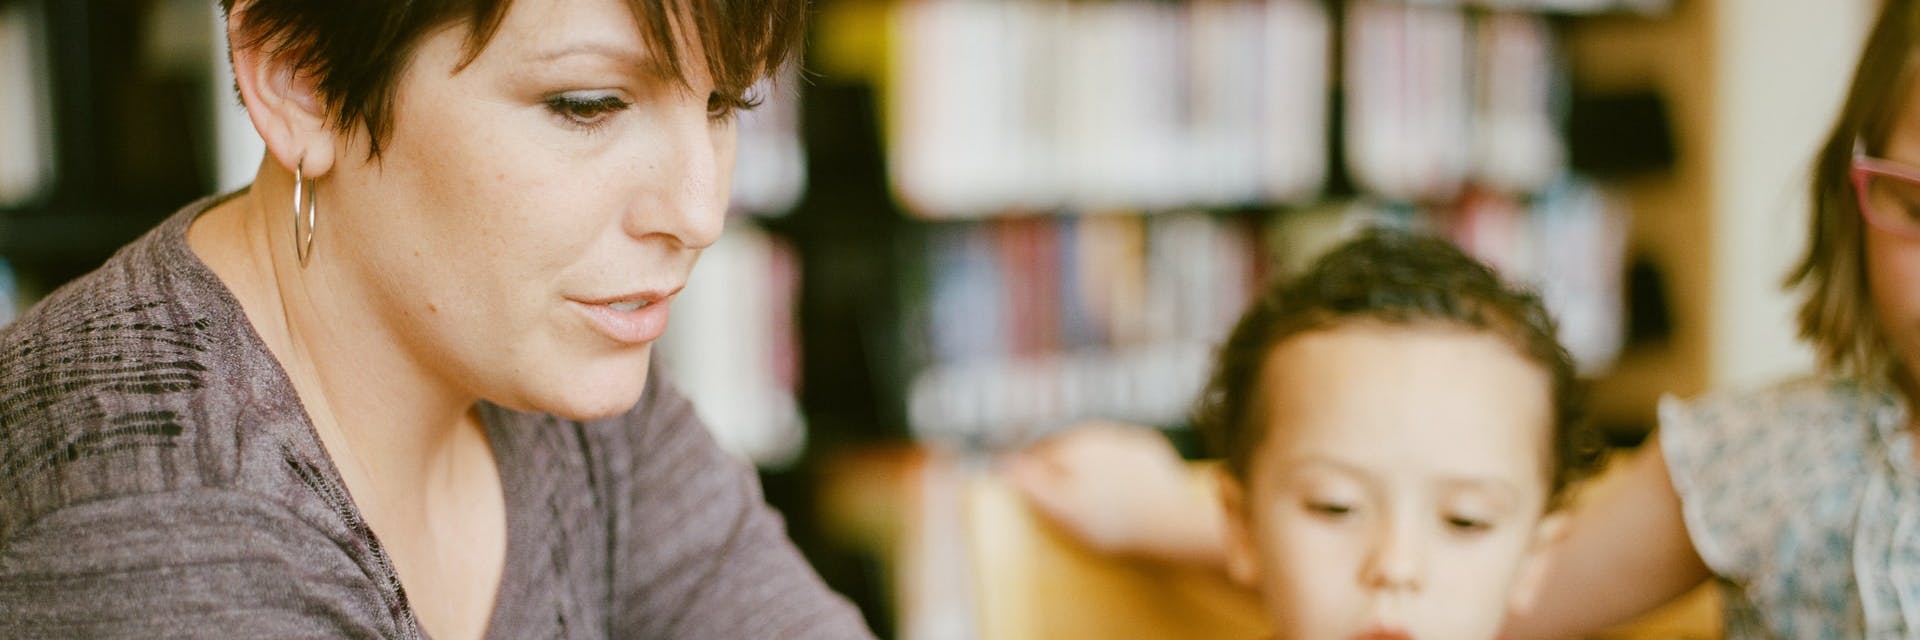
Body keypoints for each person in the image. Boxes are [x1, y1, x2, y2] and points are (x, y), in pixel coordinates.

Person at [1017, 1, 1920, 635]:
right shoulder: (1775, 458)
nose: (1398, 562)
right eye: (1918, 208)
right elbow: (1464, 591)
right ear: (1852, 197)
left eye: (1464, 521)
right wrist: (1164, 515)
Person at [0, 0, 872, 637]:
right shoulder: (155, 531)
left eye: (724, 105)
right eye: (589, 103)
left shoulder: (560, 375)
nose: (699, 212)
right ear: (299, 79)